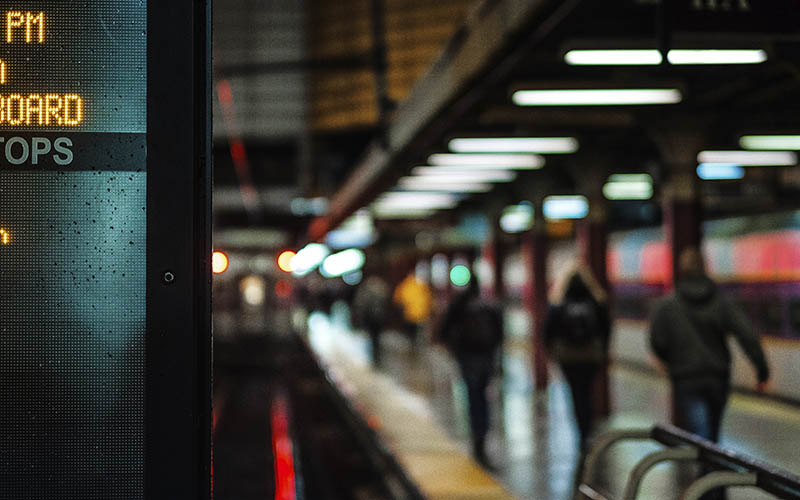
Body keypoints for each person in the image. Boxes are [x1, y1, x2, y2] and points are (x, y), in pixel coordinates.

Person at [650, 248, 770, 443]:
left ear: (681, 270)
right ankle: (711, 468)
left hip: (685, 377)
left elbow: (657, 341)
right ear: (705, 268)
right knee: (712, 433)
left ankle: (707, 470)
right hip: (717, 376)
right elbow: (747, 334)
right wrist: (762, 370)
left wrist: (669, 361)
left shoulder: (667, 305)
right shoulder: (722, 303)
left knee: (700, 433)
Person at [439, 278, 504, 468]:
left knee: (472, 395)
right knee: (483, 396)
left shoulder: (459, 305)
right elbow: (499, 334)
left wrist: (453, 347)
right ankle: (482, 433)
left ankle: (477, 436)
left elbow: (444, 330)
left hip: (467, 358)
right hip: (485, 358)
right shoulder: (489, 306)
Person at [544, 267, 611, 450]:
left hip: (568, 357)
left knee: (575, 393)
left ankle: (581, 431)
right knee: (588, 392)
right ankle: (587, 430)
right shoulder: (597, 301)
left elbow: (549, 330)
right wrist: (603, 352)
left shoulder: (558, 302)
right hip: (591, 356)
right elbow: (606, 329)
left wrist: (551, 353)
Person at [352, 275, 391, 367]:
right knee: (376, 337)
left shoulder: (366, 291)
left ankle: (375, 356)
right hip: (377, 318)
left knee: (373, 337)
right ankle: (376, 356)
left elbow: (360, 304)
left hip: (371, 318)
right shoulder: (381, 290)